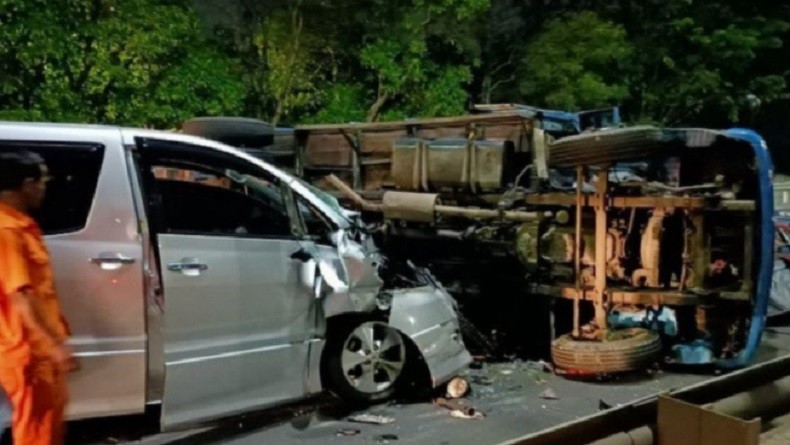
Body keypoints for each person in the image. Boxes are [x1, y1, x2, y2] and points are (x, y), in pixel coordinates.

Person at [0, 150, 76, 445]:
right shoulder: (6, 230)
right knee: (37, 430)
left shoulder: (21, 225)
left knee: (49, 421)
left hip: (38, 349)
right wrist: (53, 346)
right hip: (27, 350)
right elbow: (21, 296)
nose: (45, 188)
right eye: (43, 181)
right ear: (27, 184)